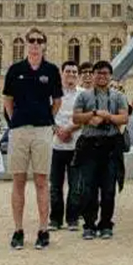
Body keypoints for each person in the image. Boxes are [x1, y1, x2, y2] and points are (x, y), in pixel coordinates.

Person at [3, 28, 62, 250]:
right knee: (18, 181)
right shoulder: (15, 70)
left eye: (40, 40)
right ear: (26, 43)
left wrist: (47, 120)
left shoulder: (51, 70)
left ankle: (43, 229)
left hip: (42, 130)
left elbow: (57, 101)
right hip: (19, 130)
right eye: (32, 40)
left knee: (41, 182)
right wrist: (14, 122)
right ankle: (18, 230)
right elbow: (8, 100)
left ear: (44, 44)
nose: (35, 44)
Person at [73, 60, 129, 240]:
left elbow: (124, 118)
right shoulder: (84, 96)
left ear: (110, 75)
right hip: (89, 145)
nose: (102, 76)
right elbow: (75, 118)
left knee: (108, 188)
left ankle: (106, 223)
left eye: (105, 73)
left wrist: (107, 117)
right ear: (94, 75)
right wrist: (93, 115)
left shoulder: (118, 96)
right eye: (99, 73)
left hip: (111, 145)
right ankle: (89, 224)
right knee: (88, 187)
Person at [49, 61, 82, 230]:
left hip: (76, 145)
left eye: (74, 72)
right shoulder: (53, 94)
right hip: (56, 145)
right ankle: (55, 219)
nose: (71, 74)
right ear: (62, 73)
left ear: (78, 75)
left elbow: (84, 117)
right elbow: (47, 115)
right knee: (55, 185)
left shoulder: (83, 94)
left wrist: (69, 130)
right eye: (68, 71)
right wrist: (58, 131)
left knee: (75, 185)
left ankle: (72, 219)